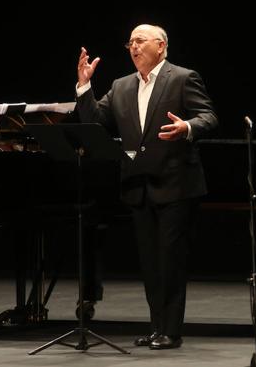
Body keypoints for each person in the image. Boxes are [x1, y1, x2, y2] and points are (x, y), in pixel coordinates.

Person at [75, 24, 218, 349]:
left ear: (161, 46)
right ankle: (157, 328)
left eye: (140, 41)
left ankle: (171, 330)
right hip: (138, 185)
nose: (133, 47)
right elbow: (95, 120)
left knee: (170, 259)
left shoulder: (183, 78)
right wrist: (84, 87)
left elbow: (208, 116)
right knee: (150, 262)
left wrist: (188, 126)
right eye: (130, 42)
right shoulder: (122, 85)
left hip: (176, 184)